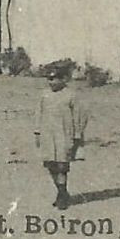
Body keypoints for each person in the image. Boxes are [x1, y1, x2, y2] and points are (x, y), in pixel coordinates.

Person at [34, 59, 88, 210]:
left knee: (62, 165)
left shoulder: (71, 95)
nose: (51, 82)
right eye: (49, 79)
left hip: (65, 135)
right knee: (50, 164)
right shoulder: (44, 95)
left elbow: (80, 115)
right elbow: (38, 113)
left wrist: (77, 134)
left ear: (63, 79)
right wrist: (37, 132)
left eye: (54, 79)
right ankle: (62, 192)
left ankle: (62, 195)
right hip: (47, 135)